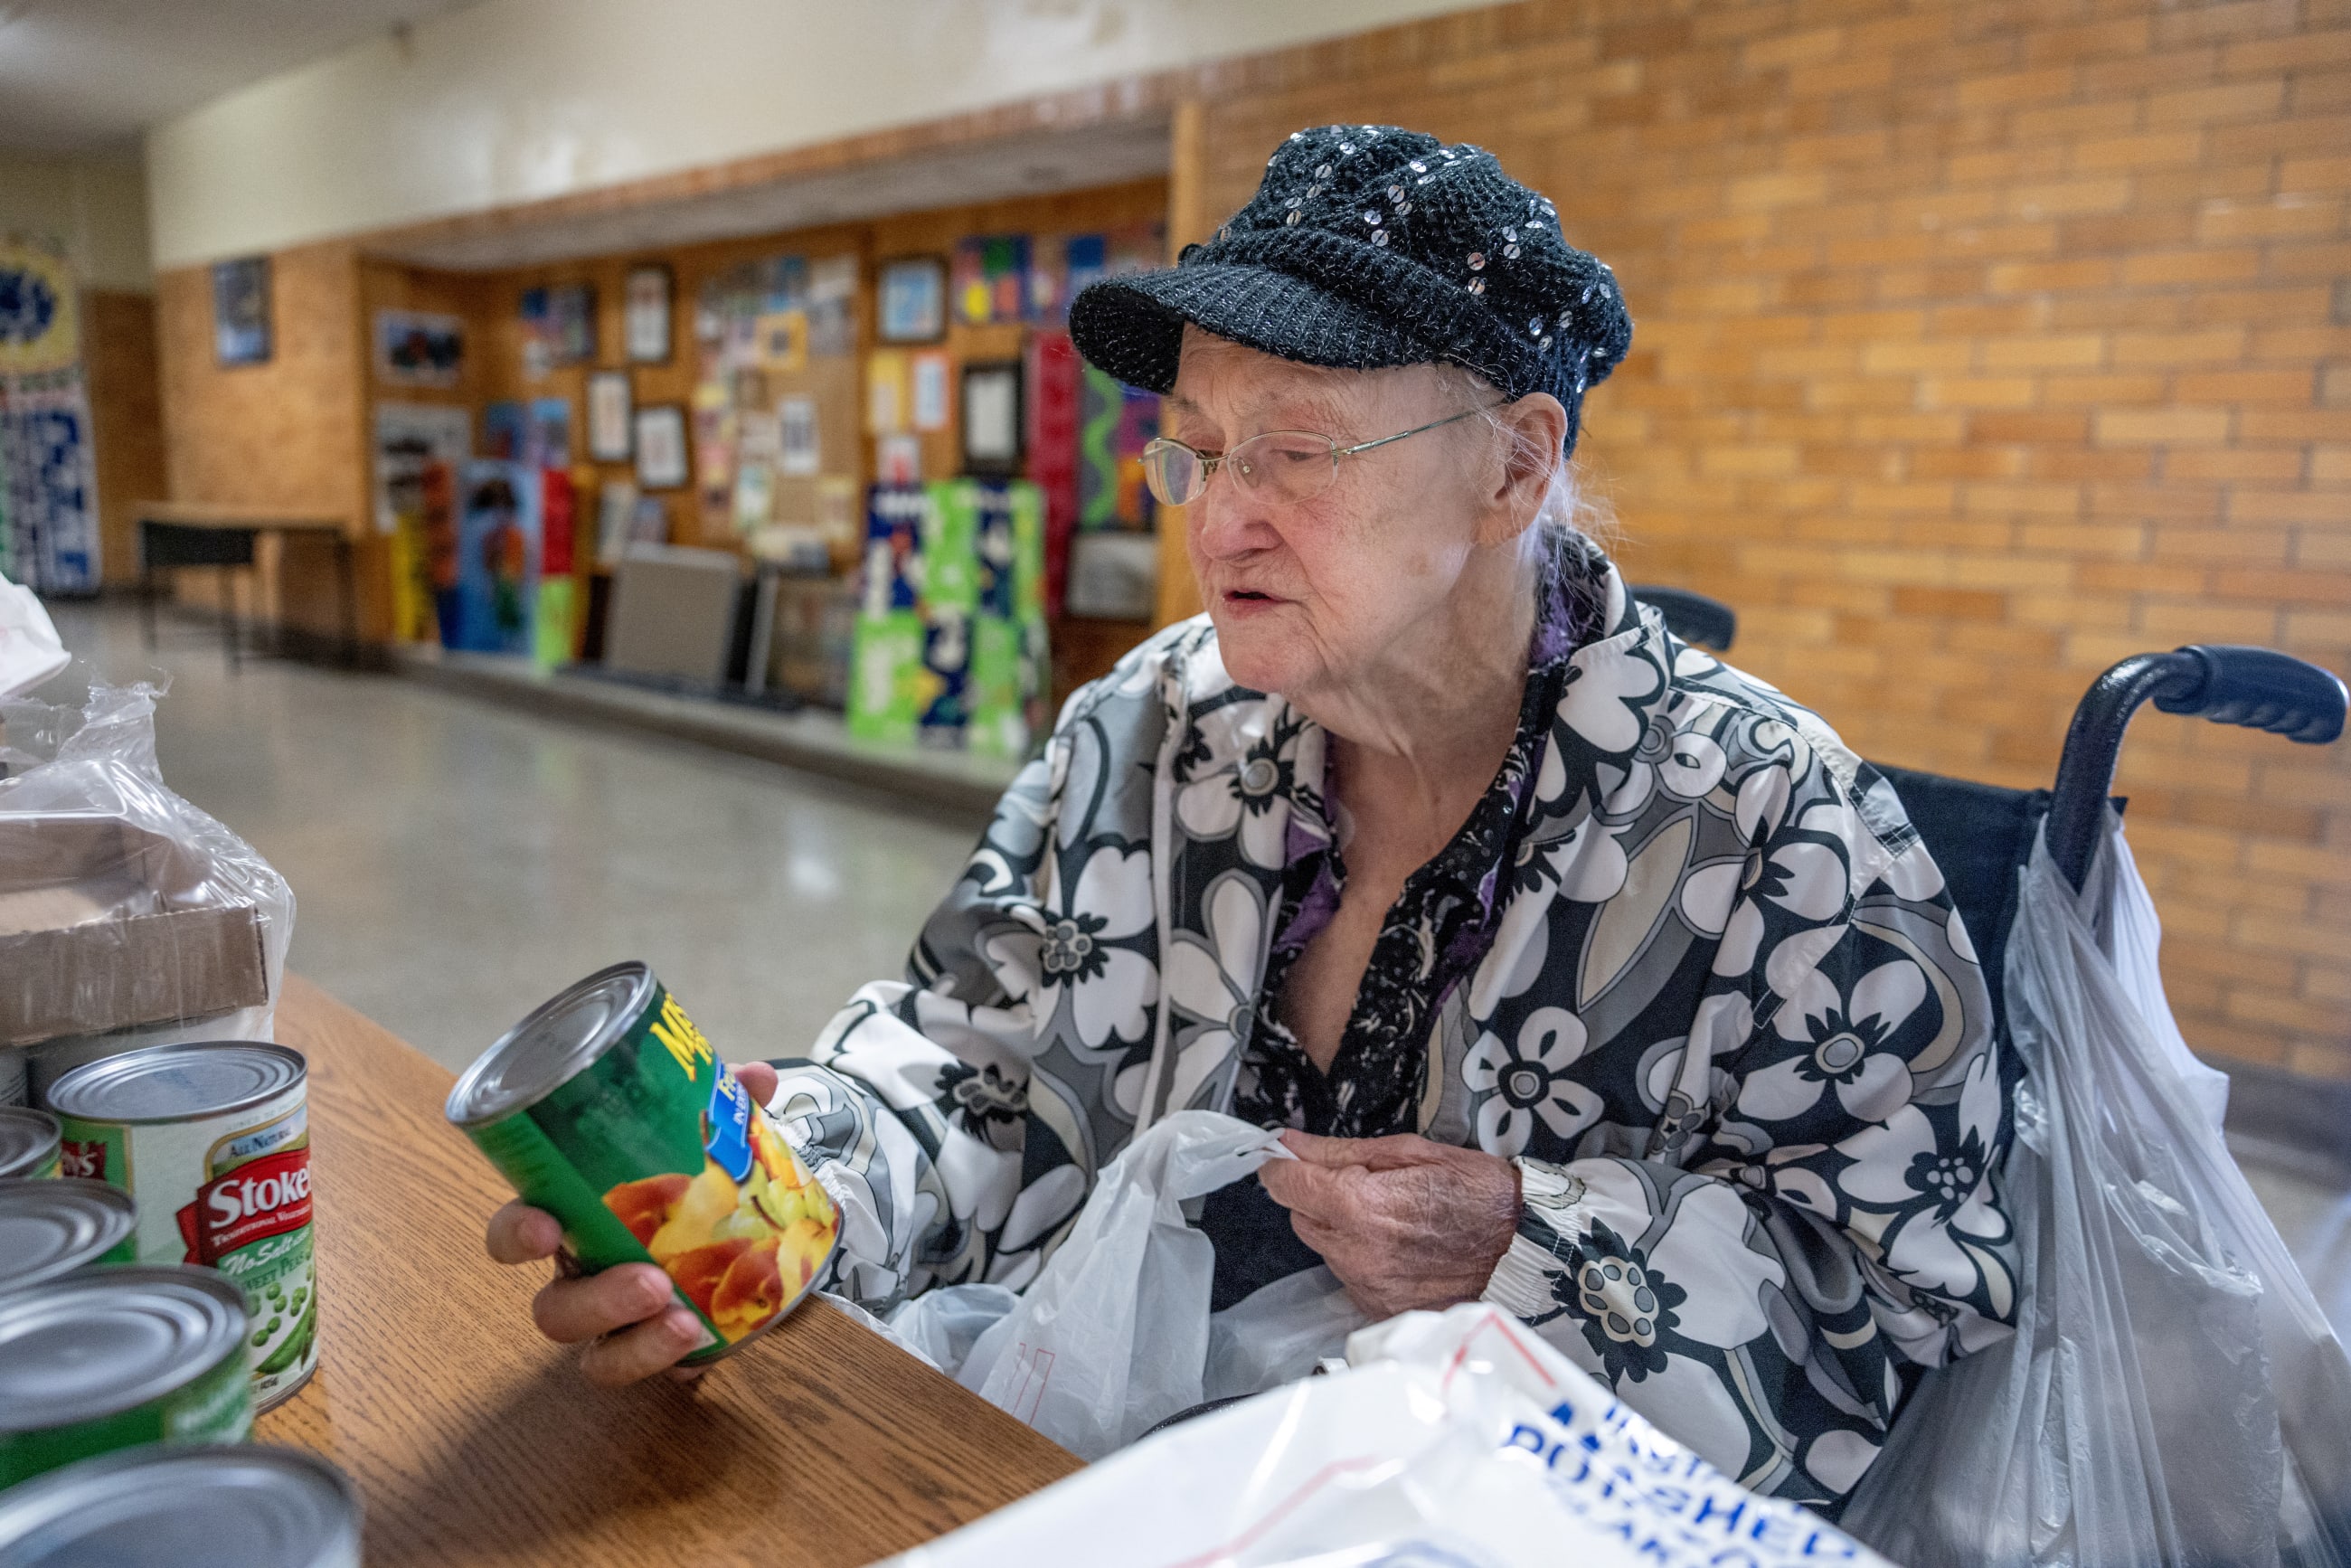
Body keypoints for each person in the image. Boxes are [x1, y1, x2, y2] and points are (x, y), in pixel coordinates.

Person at [484, 124, 2016, 1510]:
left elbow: (1904, 1301)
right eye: (1200, 450)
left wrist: (1531, 1248)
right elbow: (982, 1066)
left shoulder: (1763, 820)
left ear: (1516, 465)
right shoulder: (1154, 726)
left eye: (1295, 449)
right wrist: (791, 1186)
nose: (1220, 520)